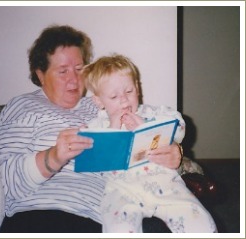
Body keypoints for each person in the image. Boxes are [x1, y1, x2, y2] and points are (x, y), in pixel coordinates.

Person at [0, 24, 184, 233]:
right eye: (63, 71)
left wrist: (174, 154)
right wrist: (54, 157)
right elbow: (5, 185)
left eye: (79, 69)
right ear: (41, 75)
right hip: (41, 212)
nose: (74, 79)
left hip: (110, 217)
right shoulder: (22, 107)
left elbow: (147, 150)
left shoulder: (106, 104)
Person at [82, 54, 217, 233]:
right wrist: (114, 126)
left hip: (165, 184)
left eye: (128, 92)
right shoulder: (97, 126)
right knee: (119, 228)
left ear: (137, 88)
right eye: (114, 97)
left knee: (200, 222)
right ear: (99, 101)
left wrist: (146, 124)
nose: (123, 100)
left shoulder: (154, 113)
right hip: (123, 191)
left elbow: (179, 128)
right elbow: (95, 161)